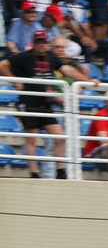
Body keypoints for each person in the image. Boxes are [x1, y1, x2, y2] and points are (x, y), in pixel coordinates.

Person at [0, 31, 85, 178]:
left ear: (47, 43)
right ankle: (34, 173)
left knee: (60, 136)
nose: (42, 44)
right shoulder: (24, 56)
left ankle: (60, 171)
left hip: (44, 103)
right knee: (31, 138)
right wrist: (15, 81)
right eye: (39, 42)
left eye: (44, 42)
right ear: (34, 43)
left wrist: (87, 81)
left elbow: (67, 70)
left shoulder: (51, 57)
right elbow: (3, 65)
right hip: (28, 101)